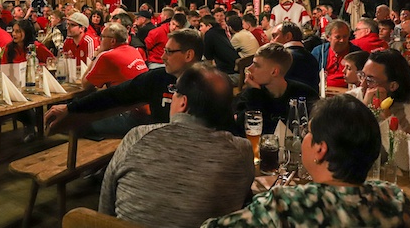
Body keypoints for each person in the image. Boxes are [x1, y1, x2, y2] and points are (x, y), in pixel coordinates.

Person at [202, 94, 410, 227]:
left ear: (320, 149)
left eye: (308, 132)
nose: (304, 138)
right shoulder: (394, 200)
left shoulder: (284, 205)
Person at [99, 64, 254, 227]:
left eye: (175, 92)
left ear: (183, 103)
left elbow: (105, 208)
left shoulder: (137, 137)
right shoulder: (241, 150)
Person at [44, 29, 204, 132]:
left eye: (169, 52)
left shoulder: (208, 85)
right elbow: (116, 94)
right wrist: (70, 108)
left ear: (188, 55)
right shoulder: (158, 77)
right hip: (158, 147)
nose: (162, 57)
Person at [234, 43, 318, 135]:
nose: (249, 69)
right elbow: (244, 130)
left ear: (274, 72)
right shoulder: (250, 94)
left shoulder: (306, 94)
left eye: (256, 65)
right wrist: (255, 93)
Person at [360, 49, 410, 143]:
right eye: (362, 76)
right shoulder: (357, 95)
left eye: (370, 80)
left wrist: (386, 116)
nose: (362, 85)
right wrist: (363, 109)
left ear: (393, 86)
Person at [2, 20, 54, 142]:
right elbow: (3, 67)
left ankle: (32, 126)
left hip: (35, 85)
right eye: (13, 31)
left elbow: (51, 60)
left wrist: (38, 67)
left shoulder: (36, 47)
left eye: (18, 31)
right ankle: (32, 124)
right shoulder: (9, 48)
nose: (14, 34)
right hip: (15, 85)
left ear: (26, 32)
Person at [81, 23, 147, 91]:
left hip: (127, 96)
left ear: (113, 41)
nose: (100, 40)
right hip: (143, 94)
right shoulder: (133, 50)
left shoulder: (106, 56)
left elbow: (85, 85)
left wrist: (96, 56)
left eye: (102, 37)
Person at [311, 20, 361, 88]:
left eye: (345, 36)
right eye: (338, 37)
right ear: (328, 37)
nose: (342, 40)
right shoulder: (319, 52)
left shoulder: (356, 53)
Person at [271, 21, 320, 90]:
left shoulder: (280, 58)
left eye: (274, 36)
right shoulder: (312, 58)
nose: (271, 41)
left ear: (288, 36)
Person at [199, 15, 239, 84]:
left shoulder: (209, 34)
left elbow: (208, 58)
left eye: (201, 26)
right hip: (236, 71)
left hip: (228, 74)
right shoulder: (221, 32)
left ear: (209, 26)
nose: (200, 29)